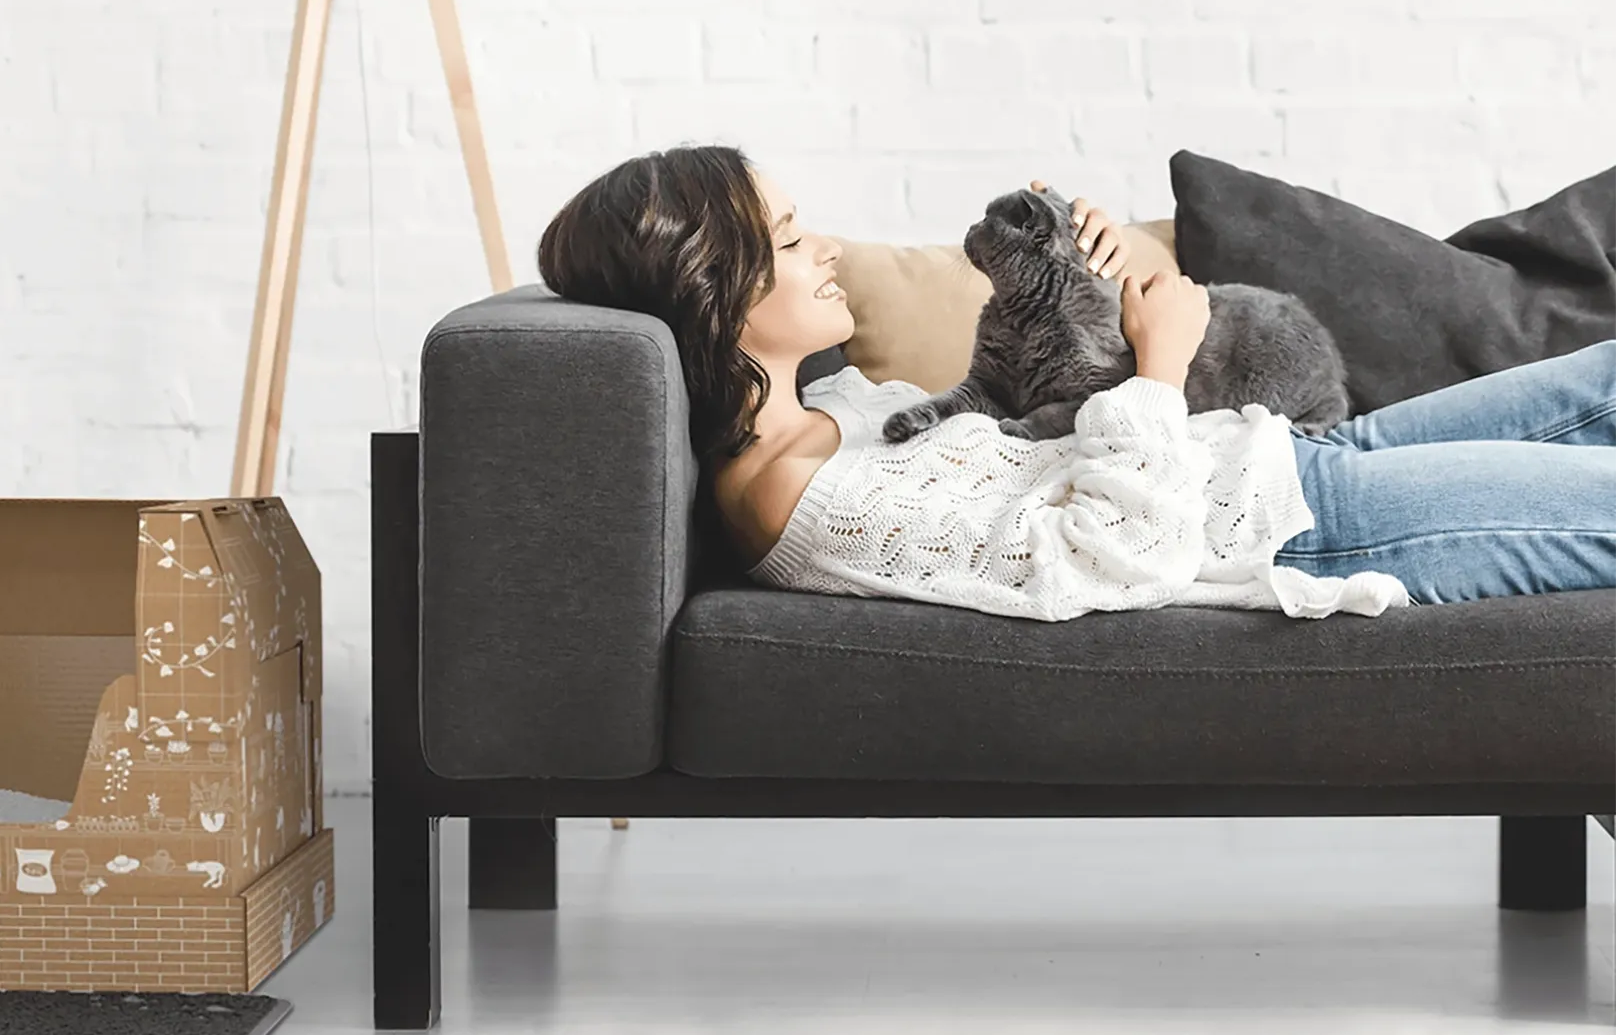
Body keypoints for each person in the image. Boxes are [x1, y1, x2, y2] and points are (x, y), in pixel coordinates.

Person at [536, 143, 1616, 622]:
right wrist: (1162, 363)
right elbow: (1107, 558)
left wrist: (1092, 281)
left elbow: (1022, 436)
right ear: (714, 291)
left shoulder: (835, 413)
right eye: (784, 237)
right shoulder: (794, 499)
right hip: (1300, 527)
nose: (820, 246)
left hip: (1284, 460)